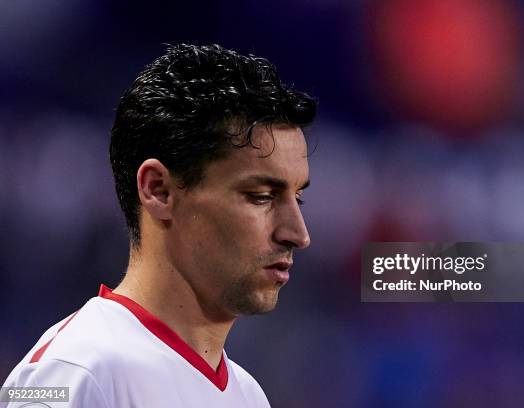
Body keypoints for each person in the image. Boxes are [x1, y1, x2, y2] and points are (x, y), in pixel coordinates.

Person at [1, 43, 316, 407]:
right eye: (261, 196)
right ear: (159, 190)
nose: (298, 233)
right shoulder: (74, 373)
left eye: (299, 197)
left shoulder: (248, 396)